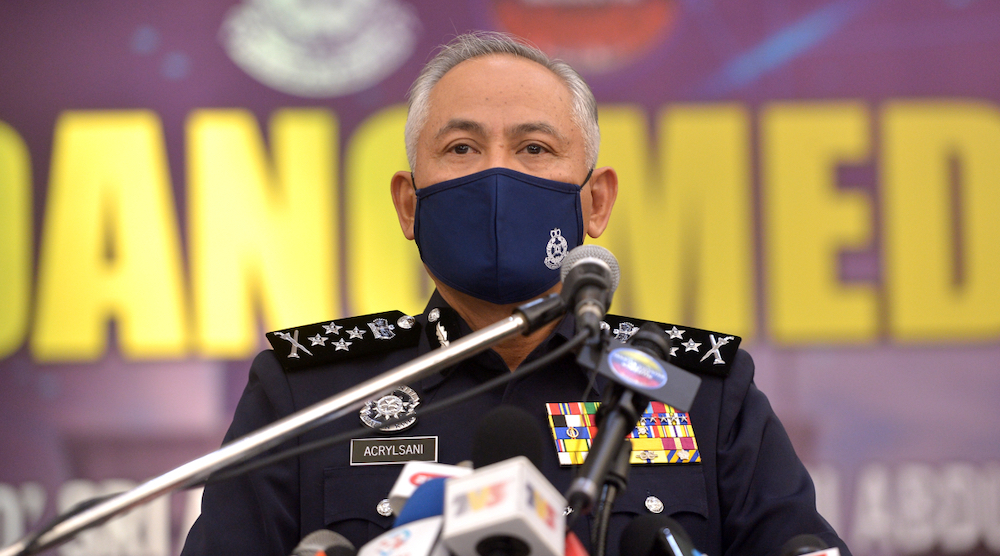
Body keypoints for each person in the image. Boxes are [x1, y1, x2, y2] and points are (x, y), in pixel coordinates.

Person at [181, 32, 850, 556]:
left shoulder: (696, 388)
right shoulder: (308, 395)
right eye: (464, 148)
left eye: (533, 149)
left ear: (596, 200)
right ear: (409, 205)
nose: (497, 174)